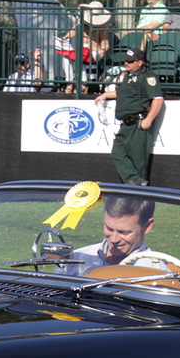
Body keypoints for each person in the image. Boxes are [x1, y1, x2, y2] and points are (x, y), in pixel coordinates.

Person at [93, 47, 163, 186]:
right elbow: (121, 93)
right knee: (117, 153)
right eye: (126, 61)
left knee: (138, 160)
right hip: (125, 124)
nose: (126, 63)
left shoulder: (147, 77)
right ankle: (137, 182)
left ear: (140, 62)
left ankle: (138, 190)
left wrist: (148, 119)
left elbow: (158, 98)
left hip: (138, 122)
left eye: (130, 61)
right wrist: (106, 95)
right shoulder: (129, 76)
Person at [70, 196, 154, 273]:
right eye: (109, 229)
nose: (114, 239)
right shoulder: (77, 259)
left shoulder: (155, 273)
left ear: (147, 226)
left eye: (123, 232)